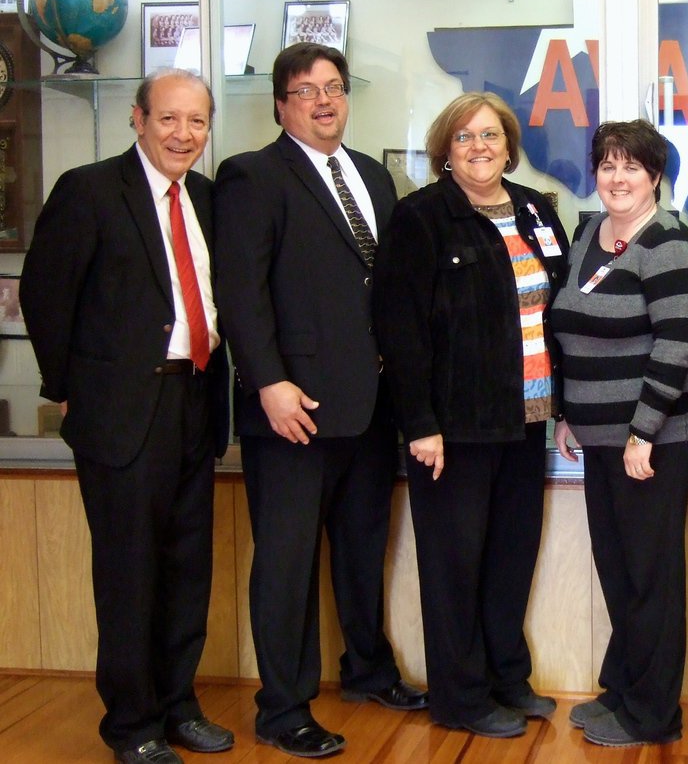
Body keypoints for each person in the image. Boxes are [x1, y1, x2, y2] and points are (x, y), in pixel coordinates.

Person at [214, 43, 426, 759]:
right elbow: (240, 291)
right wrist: (267, 382)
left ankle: (367, 670)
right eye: (306, 91)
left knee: (362, 549)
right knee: (288, 562)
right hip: (292, 408)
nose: (324, 101)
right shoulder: (252, 175)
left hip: (369, 404)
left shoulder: (373, 175)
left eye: (333, 87)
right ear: (280, 104)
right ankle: (283, 709)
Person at [20, 70, 233, 764]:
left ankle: (178, 706)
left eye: (196, 121)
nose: (183, 134)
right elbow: (45, 294)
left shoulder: (207, 197)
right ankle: (133, 725)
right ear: (137, 120)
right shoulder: (88, 190)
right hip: (122, 412)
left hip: (196, 399)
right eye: (168, 119)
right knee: (130, 573)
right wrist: (66, 387)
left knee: (187, 567)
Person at [373, 91, 569, 740]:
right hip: (454, 428)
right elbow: (399, 328)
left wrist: (564, 406)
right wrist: (420, 423)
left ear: (509, 146)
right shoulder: (422, 217)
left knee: (511, 556)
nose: (479, 147)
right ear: (444, 151)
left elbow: (560, 311)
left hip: (527, 419)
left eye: (490, 135)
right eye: (464, 137)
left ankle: (505, 678)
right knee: (454, 566)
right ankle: (459, 697)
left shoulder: (536, 209)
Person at [550, 120, 688, 748]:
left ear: (655, 176)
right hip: (598, 434)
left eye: (631, 167)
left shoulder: (669, 242)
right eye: (607, 165)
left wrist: (643, 432)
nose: (617, 178)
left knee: (650, 575)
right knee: (618, 567)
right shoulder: (588, 232)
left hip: (654, 439)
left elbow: (676, 345)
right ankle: (623, 688)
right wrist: (567, 413)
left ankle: (653, 713)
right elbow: (570, 329)